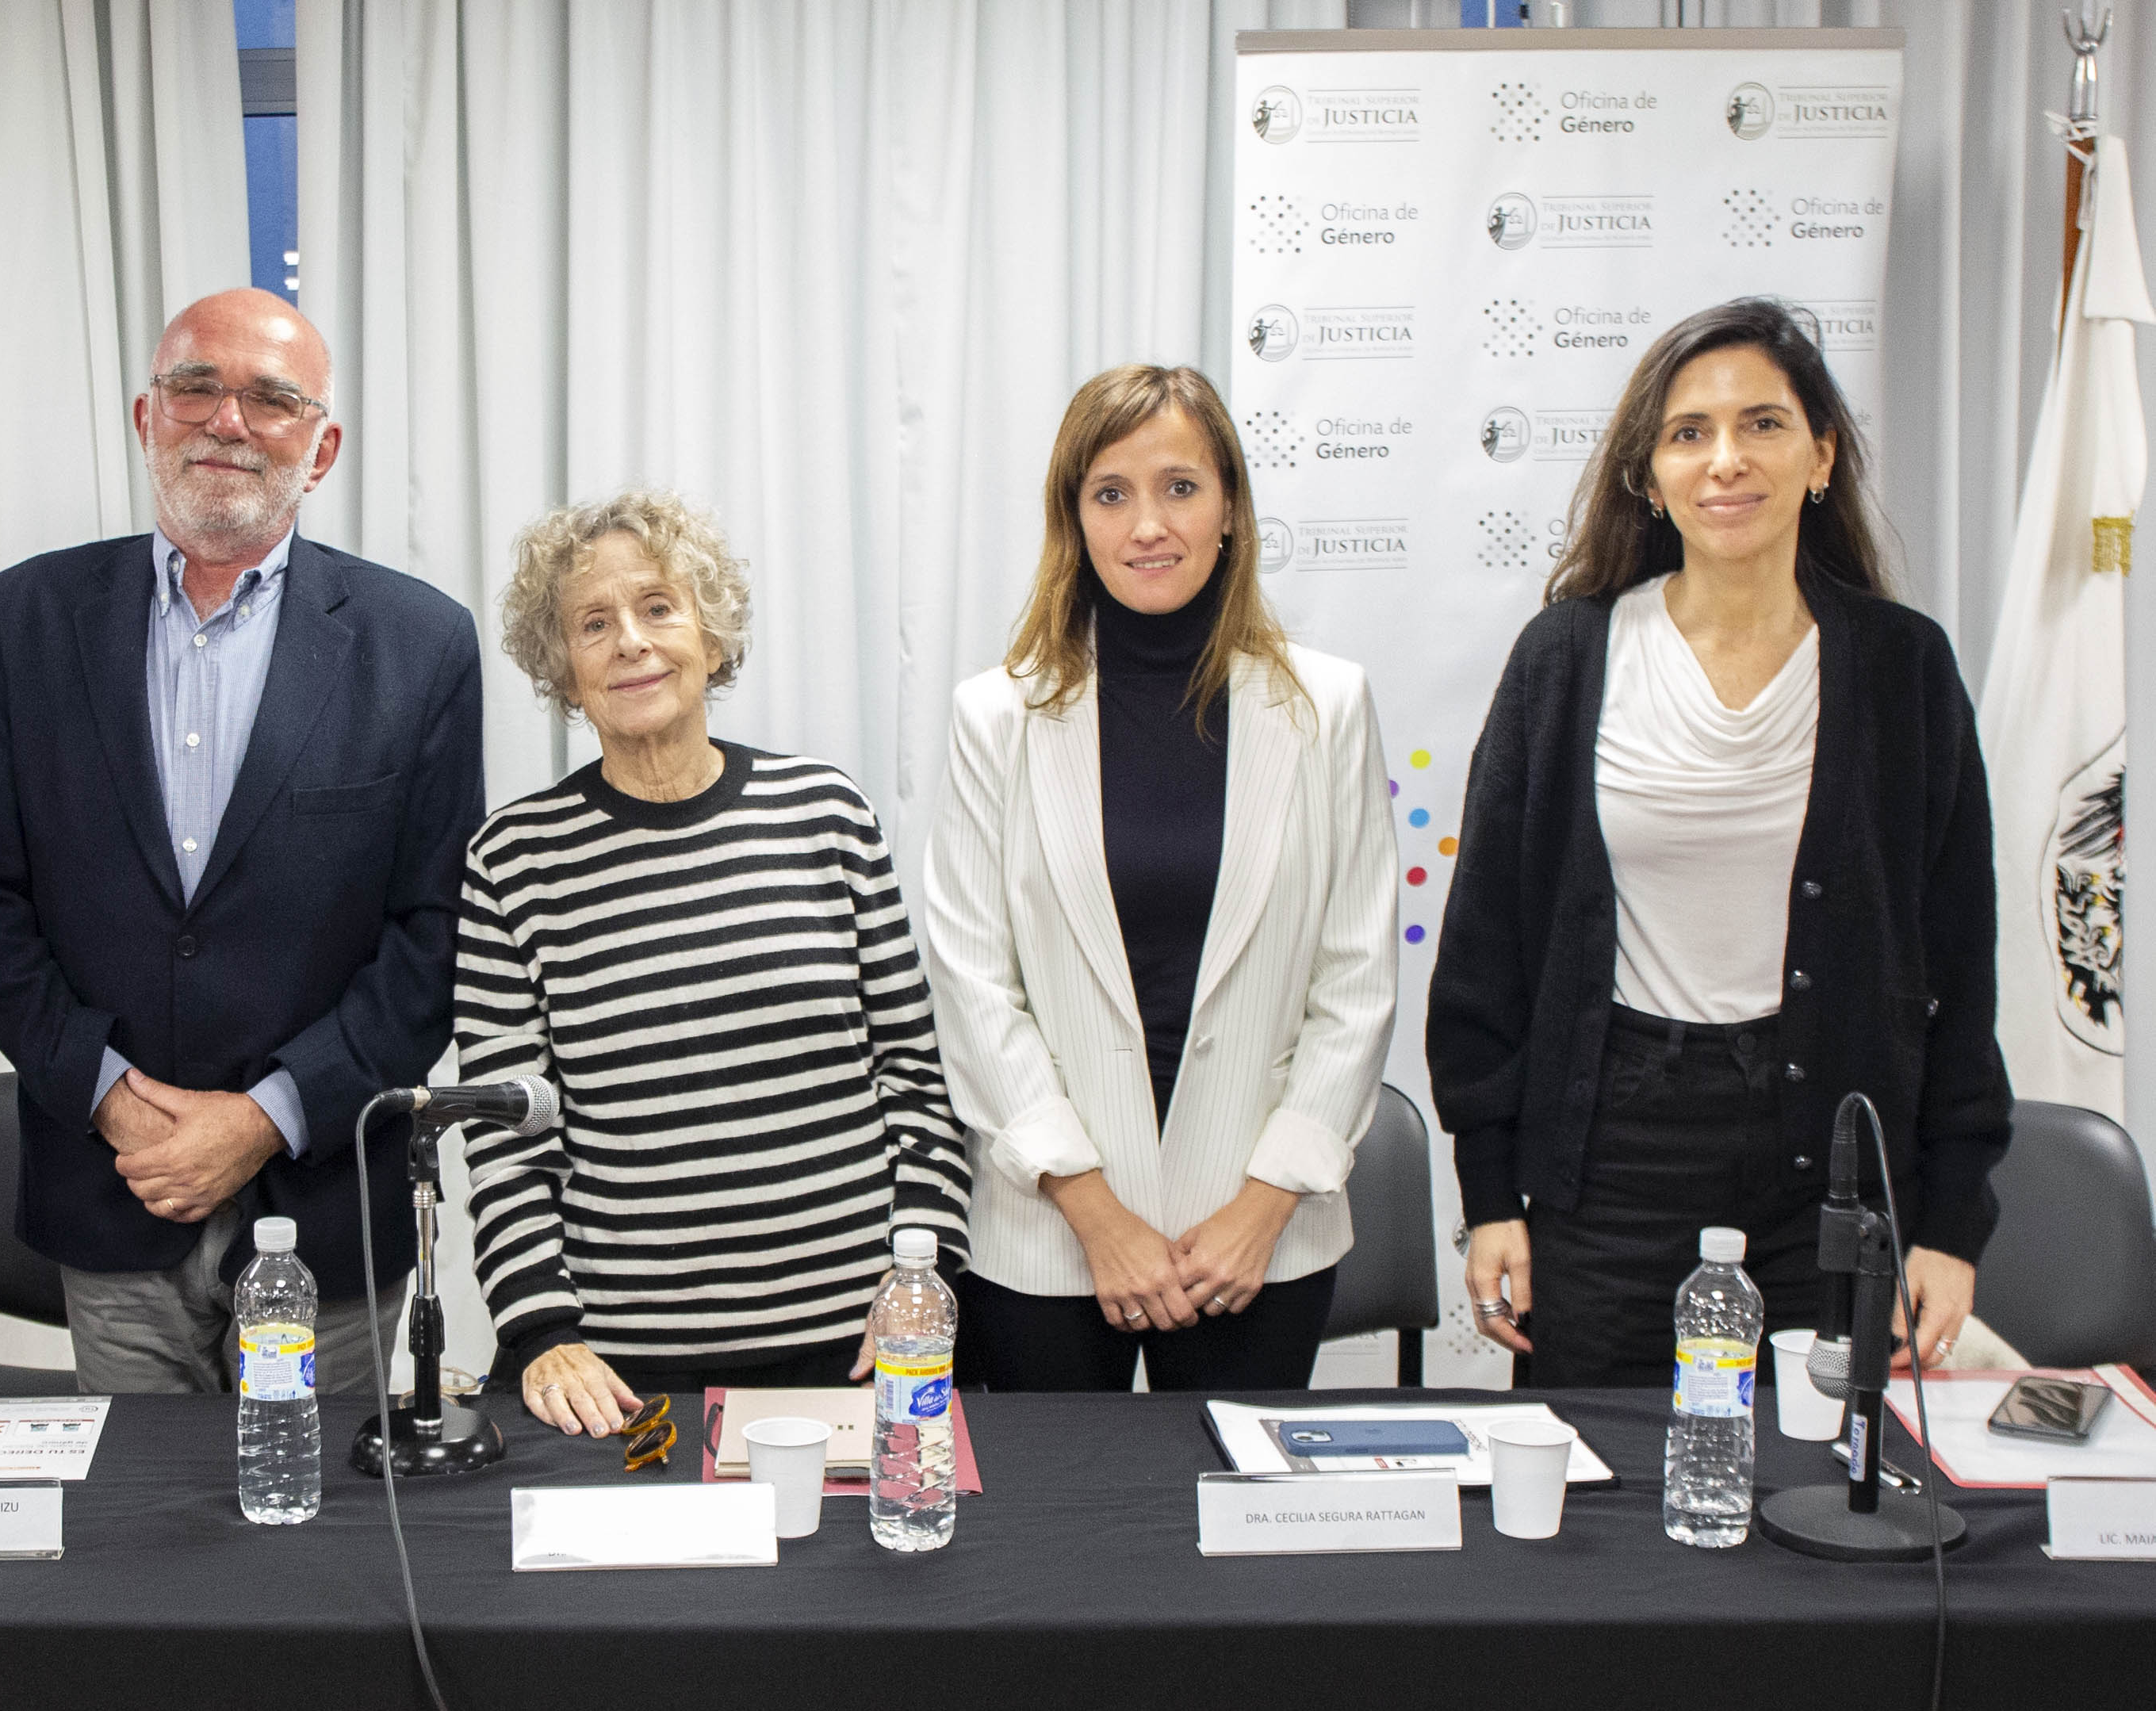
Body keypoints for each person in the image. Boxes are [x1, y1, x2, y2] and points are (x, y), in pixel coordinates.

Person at [1429, 298, 2010, 1385]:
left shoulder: (1902, 668)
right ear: (1647, 476)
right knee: (1596, 1493)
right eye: (1687, 432)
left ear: (1822, 454)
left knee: (1809, 1491)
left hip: (1832, 1160)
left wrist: (1948, 1218)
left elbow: (1956, 958)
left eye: (1763, 424)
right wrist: (1489, 1196)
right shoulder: (1568, 658)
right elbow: (1487, 953)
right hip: (1608, 1160)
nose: (1725, 460)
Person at [0, 289, 483, 1394]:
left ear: (320, 446)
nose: (228, 421)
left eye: (272, 398)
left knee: (312, 1538)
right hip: (113, 1187)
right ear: (147, 415)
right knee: (137, 1542)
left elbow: (435, 936)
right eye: (195, 386)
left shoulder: (419, 643)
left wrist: (266, 1116)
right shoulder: (24, 619)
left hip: (327, 1200)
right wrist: (109, 1096)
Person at [918, 366, 1398, 1393]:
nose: (1149, 524)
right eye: (1111, 493)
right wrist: (1096, 1211)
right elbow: (971, 984)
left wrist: (1262, 1202)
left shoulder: (1329, 705)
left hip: (1257, 1244)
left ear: (1230, 507)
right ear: (1073, 517)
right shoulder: (993, 719)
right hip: (1047, 1237)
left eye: (1180, 486)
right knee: (1054, 1539)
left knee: (1232, 1536)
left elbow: (1356, 985)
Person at [460, 492, 971, 1436]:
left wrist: (921, 1273)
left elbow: (915, 1080)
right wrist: (540, 1329)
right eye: (594, 623)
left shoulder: (826, 814)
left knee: (856, 1581)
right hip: (622, 1382)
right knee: (651, 1583)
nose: (630, 642)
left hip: (851, 1355)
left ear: (714, 637)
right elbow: (502, 1135)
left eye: (659, 606)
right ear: (563, 671)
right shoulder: (512, 860)